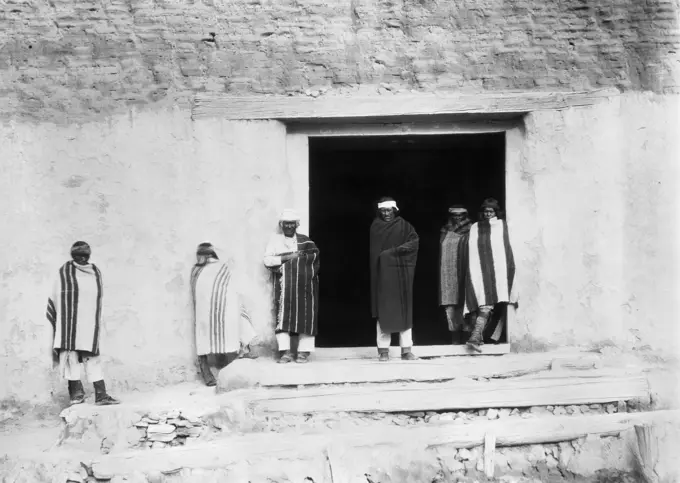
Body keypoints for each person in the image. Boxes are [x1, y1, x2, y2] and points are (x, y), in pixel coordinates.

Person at [46, 241, 120, 406]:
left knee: (92, 357)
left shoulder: (94, 272)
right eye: (77, 255)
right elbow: (57, 296)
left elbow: (95, 297)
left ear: (89, 256)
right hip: (68, 325)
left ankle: (101, 395)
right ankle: (76, 395)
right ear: (72, 256)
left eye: (84, 255)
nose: (81, 258)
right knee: (70, 356)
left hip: (87, 324)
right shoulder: (64, 272)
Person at [190, 242, 258, 387]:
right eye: (200, 254)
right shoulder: (196, 270)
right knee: (203, 337)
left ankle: (236, 363)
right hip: (203, 312)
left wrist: (215, 250)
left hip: (222, 309)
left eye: (204, 254)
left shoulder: (222, 267)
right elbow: (197, 292)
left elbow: (229, 286)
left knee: (236, 319)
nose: (201, 258)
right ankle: (207, 373)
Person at [263, 209, 320, 364]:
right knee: (283, 318)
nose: (289, 226)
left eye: (292, 223)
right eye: (286, 223)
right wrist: (290, 257)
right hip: (283, 287)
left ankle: (303, 352)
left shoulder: (305, 241)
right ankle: (286, 353)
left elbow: (313, 258)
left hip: (303, 286)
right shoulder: (274, 240)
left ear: (296, 225)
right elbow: (268, 261)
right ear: (281, 225)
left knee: (306, 315)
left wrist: (294, 262)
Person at [369, 197, 419, 362]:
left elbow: (414, 242)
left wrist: (394, 252)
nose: (386, 213)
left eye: (389, 210)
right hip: (382, 276)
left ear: (394, 210)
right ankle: (383, 351)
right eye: (383, 211)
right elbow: (374, 254)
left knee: (404, 311)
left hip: (401, 276)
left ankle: (406, 350)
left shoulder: (404, 226)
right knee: (384, 312)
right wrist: (384, 259)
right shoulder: (375, 227)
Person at [464, 198, 516, 351]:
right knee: (483, 302)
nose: (488, 214)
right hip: (479, 271)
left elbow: (503, 248)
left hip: (498, 271)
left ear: (496, 212)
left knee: (488, 303)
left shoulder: (501, 226)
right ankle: (476, 337)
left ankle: (477, 337)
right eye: (486, 211)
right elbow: (473, 250)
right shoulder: (475, 227)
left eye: (491, 211)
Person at [439, 205, 474, 345]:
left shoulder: (471, 229)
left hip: (465, 270)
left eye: (461, 215)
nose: (457, 218)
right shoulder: (445, 229)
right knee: (450, 305)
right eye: (455, 215)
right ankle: (454, 336)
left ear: (465, 216)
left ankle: (466, 335)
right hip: (448, 273)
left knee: (466, 302)